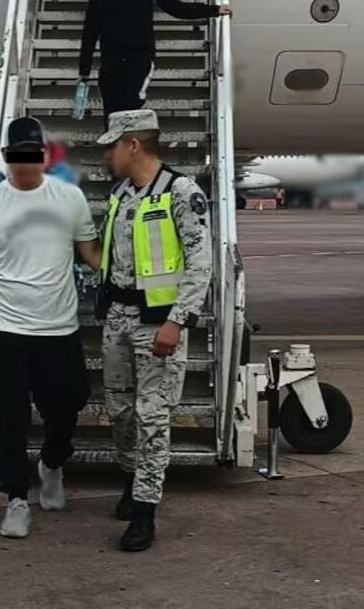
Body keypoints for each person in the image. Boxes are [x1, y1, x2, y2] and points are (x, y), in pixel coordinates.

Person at [0, 117, 101, 539]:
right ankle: (16, 498)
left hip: (58, 329)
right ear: (6, 158)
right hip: (6, 329)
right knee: (11, 417)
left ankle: (53, 463)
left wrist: (130, 278)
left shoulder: (69, 198)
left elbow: (89, 253)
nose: (24, 165)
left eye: (32, 155)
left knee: (68, 404)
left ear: (43, 156)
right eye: (16, 157)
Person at [95, 109, 212, 552]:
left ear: (133, 145)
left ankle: (145, 508)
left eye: (112, 146)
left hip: (157, 324)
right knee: (120, 410)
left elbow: (200, 264)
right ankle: (131, 478)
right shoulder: (121, 194)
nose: (106, 155)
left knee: (153, 416)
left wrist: (176, 321)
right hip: (119, 320)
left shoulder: (181, 192)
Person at [79, 0, 231, 128]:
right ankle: (115, 156)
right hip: (111, 59)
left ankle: (131, 154)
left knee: (130, 109)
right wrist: (85, 68)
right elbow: (91, 27)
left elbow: (176, 7)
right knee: (111, 115)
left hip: (139, 57)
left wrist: (214, 10)